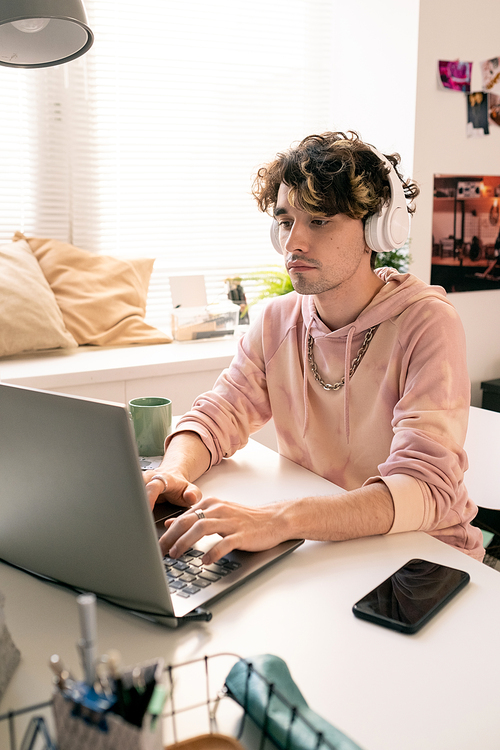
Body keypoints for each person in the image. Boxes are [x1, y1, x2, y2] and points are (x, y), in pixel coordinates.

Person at [144, 131, 484, 565]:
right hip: (326, 546)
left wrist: (280, 520)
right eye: (286, 222)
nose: (292, 243)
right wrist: (172, 473)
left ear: (376, 229)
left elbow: (425, 488)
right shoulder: (276, 321)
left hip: (425, 558)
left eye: (319, 221)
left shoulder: (427, 323)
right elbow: (219, 413)